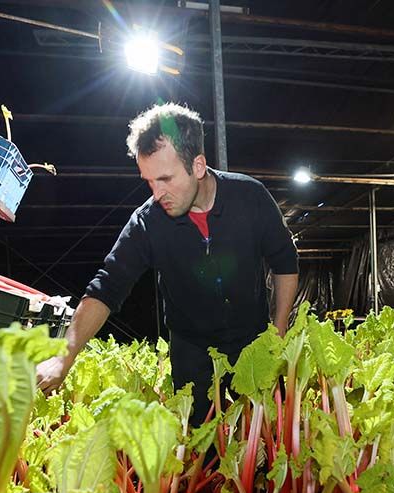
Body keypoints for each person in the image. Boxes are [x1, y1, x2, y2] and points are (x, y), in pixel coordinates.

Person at [35, 103, 299, 423]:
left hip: (254, 345)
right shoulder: (148, 222)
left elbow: (285, 262)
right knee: (204, 451)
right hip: (193, 356)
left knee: (266, 441)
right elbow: (107, 286)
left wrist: (279, 328)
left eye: (165, 179)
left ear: (198, 166)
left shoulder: (251, 198)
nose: (157, 193)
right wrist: (64, 357)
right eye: (148, 181)